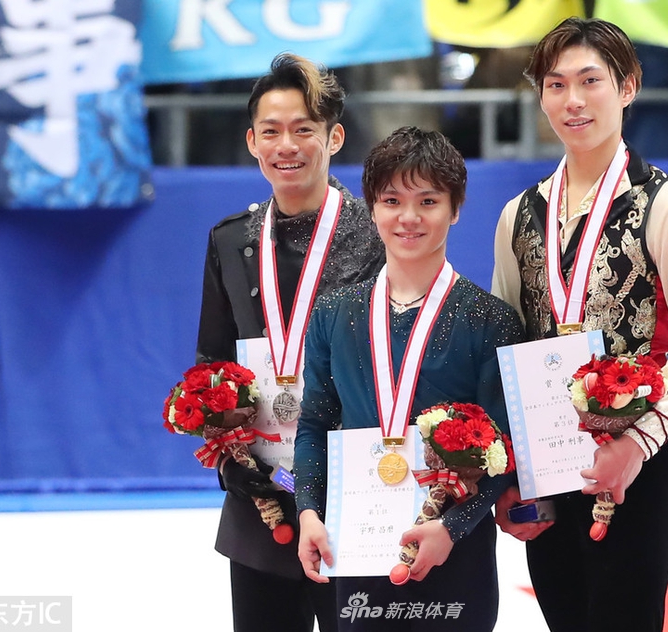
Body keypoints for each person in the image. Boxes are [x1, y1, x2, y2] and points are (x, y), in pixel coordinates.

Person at [491, 17, 668, 632]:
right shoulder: (519, 216)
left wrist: (635, 444)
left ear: (628, 86)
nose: (572, 101)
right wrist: (510, 468)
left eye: (590, 81)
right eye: (555, 84)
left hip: (639, 463)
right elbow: (509, 348)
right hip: (547, 466)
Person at [294, 126, 524, 631]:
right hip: (357, 542)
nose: (409, 217)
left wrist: (453, 527)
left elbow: (505, 448)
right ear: (373, 206)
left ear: (455, 208)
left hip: (455, 551)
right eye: (393, 199)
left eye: (429, 200)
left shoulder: (491, 321)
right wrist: (309, 512)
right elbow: (315, 424)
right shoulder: (334, 312)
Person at [195, 53, 385, 632]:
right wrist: (231, 463)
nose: (288, 145)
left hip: (356, 493)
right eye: (272, 131)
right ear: (252, 142)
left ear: (335, 136)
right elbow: (211, 363)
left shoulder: (380, 233)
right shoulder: (231, 241)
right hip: (264, 499)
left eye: (304, 129)